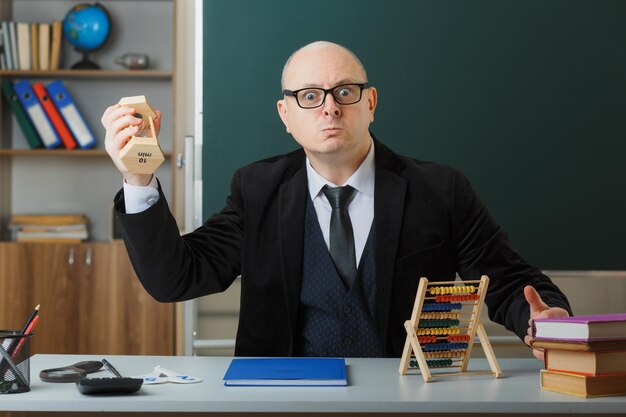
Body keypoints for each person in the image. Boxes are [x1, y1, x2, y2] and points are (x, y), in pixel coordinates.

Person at [102, 40, 570, 359]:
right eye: (310, 95)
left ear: (370, 102)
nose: (329, 107)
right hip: (284, 401)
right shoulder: (257, 190)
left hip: (408, 401)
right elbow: (176, 279)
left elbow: (512, 283)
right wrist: (138, 179)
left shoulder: (441, 190)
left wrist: (546, 318)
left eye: (344, 91)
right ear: (286, 114)